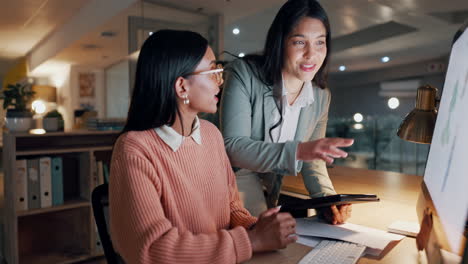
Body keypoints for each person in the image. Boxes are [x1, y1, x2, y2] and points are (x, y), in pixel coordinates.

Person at [109, 29, 297, 264]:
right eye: (213, 72)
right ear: (182, 87)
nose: (221, 81)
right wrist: (253, 241)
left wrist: (256, 227)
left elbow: (231, 209)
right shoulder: (134, 150)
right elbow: (152, 249)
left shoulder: (211, 135)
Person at [220, 0, 354, 223]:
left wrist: (327, 199)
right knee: (262, 239)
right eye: (300, 42)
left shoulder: (320, 96)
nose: (311, 54)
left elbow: (313, 159)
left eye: (320, 43)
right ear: (280, 43)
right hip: (232, 176)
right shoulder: (244, 74)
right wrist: (299, 151)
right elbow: (233, 147)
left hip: (270, 184)